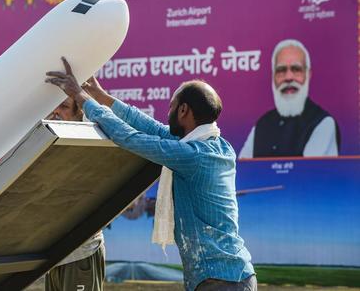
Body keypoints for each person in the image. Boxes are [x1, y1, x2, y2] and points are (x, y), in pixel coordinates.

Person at [46, 57, 256, 291]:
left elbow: (130, 138)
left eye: (171, 107)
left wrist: (81, 98)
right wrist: (102, 96)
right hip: (227, 277)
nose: (168, 113)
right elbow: (149, 127)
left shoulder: (194, 155)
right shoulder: (215, 145)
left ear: (184, 110)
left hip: (221, 282)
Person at [239, 39, 340, 158]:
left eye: (296, 69)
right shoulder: (262, 124)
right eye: (281, 70)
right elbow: (244, 167)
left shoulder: (323, 123)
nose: (288, 77)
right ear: (273, 77)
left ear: (308, 74)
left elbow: (307, 173)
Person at [44, 97, 106, 291]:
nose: (56, 112)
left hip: (80, 253)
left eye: (64, 107)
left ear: (79, 112)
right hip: (53, 257)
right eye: (53, 107)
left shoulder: (90, 143)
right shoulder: (48, 143)